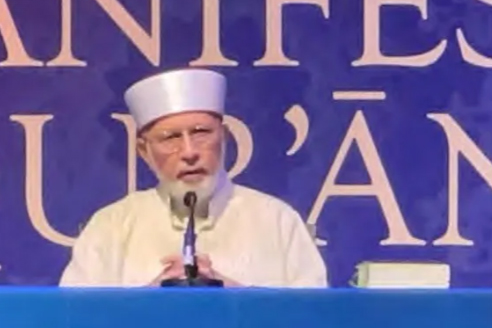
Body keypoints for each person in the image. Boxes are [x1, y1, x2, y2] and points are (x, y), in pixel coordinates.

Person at [59, 68, 328, 288]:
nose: (189, 152)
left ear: (223, 137)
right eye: (170, 138)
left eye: (201, 133)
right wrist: (150, 300)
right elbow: (74, 320)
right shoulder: (111, 226)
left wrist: (233, 295)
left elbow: (312, 318)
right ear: (144, 150)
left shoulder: (277, 220)